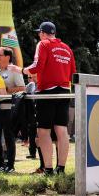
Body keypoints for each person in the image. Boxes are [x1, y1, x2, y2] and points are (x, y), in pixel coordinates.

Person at [21, 21, 76, 175]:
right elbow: (73, 72)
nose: (39, 35)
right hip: (65, 91)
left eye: (39, 33)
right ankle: (61, 169)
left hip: (47, 91)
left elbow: (37, 66)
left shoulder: (43, 44)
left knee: (43, 131)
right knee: (61, 130)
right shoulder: (67, 48)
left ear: (43, 33)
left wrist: (21, 70)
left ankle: (49, 169)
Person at [0, 47, 26, 173]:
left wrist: (6, 90)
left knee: (9, 136)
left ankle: (10, 165)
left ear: (8, 57)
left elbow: (23, 88)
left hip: (9, 108)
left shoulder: (14, 70)